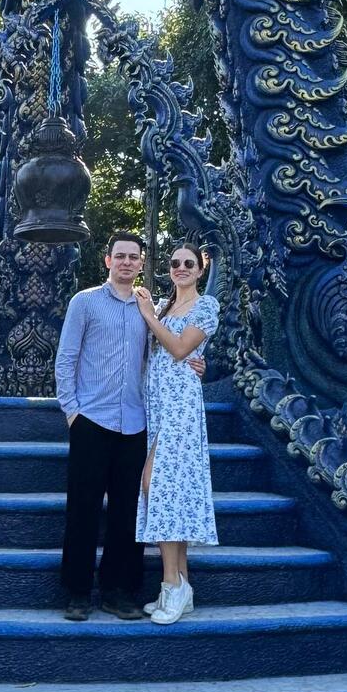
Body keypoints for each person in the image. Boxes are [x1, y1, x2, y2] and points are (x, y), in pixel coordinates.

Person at [54, 232, 206, 622]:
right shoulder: (85, 301)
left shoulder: (149, 308)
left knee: (127, 513)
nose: (126, 262)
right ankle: (77, 593)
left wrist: (196, 364)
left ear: (141, 263)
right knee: (83, 508)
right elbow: (66, 358)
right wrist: (72, 412)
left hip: (135, 423)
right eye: (119, 256)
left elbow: (167, 352)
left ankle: (118, 592)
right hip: (92, 419)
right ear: (108, 261)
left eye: (133, 257)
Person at [134, 243, 219, 626]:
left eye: (189, 263)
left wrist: (149, 317)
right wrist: (155, 314)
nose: (181, 267)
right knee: (169, 489)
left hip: (181, 409)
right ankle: (181, 584)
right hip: (159, 406)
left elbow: (181, 349)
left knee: (157, 484)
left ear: (200, 270)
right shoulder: (167, 307)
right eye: (175, 263)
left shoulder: (205, 306)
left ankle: (171, 583)